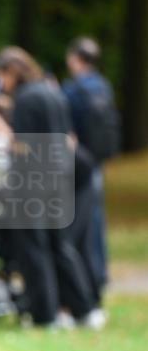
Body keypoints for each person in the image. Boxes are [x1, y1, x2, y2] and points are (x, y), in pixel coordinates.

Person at [0, 46, 98, 329]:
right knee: (60, 245)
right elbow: (67, 139)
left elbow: (25, 146)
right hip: (58, 177)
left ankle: (45, 315)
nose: (1, 83)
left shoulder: (26, 98)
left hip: (32, 181)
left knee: (33, 247)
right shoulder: (52, 92)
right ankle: (85, 310)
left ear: (12, 71)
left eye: (2, 76)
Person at [63, 37, 117, 302]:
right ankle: (100, 274)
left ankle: (85, 281)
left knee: (80, 225)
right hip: (98, 161)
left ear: (75, 58)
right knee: (96, 220)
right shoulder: (103, 86)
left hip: (78, 164)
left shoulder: (73, 89)